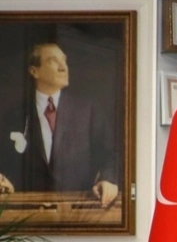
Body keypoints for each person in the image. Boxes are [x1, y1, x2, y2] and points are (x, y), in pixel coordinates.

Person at [0, 42, 120, 205]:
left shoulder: (88, 111)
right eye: (53, 61)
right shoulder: (13, 116)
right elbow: (6, 164)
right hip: (29, 211)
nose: (63, 67)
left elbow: (111, 154)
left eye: (64, 60)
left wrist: (107, 179)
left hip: (78, 210)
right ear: (34, 71)